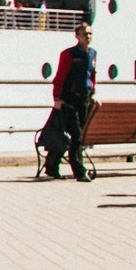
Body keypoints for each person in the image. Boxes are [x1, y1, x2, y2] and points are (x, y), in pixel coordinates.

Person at [41, 22, 97, 181]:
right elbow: (60, 76)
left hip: (84, 99)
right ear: (77, 36)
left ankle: (52, 166)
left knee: (68, 135)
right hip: (69, 99)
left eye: (90, 34)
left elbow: (92, 74)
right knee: (77, 135)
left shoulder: (92, 53)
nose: (88, 37)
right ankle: (80, 171)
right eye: (84, 34)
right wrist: (57, 98)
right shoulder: (69, 54)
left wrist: (93, 93)